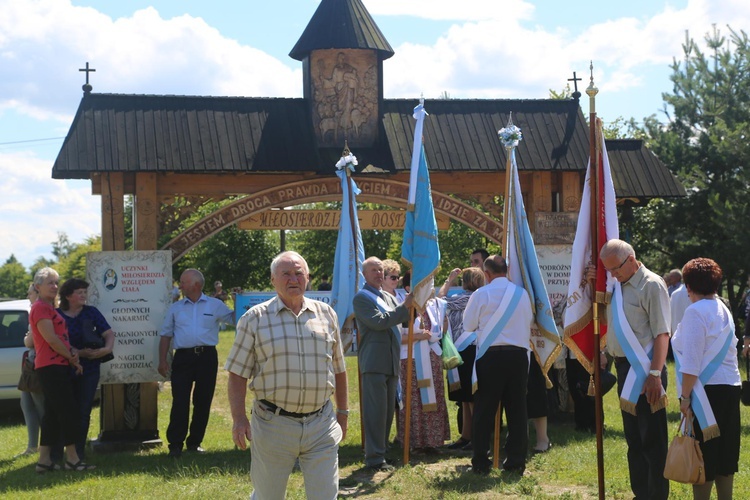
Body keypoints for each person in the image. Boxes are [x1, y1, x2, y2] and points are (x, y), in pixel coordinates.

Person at [226, 251, 348, 499]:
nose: (293, 279)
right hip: (273, 424)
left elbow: (339, 368)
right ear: (273, 280)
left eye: (298, 273)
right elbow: (237, 374)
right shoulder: (254, 319)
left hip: (321, 424)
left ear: (308, 277)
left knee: (326, 495)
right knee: (268, 495)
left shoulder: (326, 314)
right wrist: (239, 419)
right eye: (286, 274)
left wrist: (343, 413)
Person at [600, 239, 669, 500]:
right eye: (609, 271)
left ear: (631, 260)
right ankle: (641, 494)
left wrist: (654, 375)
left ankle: (656, 496)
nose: (613, 275)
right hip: (624, 369)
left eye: (615, 268)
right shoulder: (617, 286)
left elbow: (662, 333)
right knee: (634, 441)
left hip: (648, 370)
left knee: (653, 441)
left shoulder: (651, 284)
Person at [672, 258, 741, 500]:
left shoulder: (694, 311)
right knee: (726, 452)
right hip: (731, 386)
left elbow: (691, 362)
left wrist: (685, 397)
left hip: (706, 392)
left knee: (703, 451)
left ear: (689, 286)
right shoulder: (724, 308)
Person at [463, 255, 533, 475]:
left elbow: (468, 325)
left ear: (487, 274)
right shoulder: (522, 294)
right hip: (518, 357)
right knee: (517, 411)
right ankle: (515, 462)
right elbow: (528, 321)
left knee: (484, 411)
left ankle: (481, 462)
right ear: (506, 270)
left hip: (491, 357)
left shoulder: (480, 294)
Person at [158, 269, 234, 458]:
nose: (180, 285)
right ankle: (175, 444)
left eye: (184, 282)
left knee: (203, 400)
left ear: (196, 285)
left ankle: (195, 442)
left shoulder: (215, 305)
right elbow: (166, 335)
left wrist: (239, 301)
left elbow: (235, 319)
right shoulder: (176, 308)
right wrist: (162, 360)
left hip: (207, 358)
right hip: (183, 358)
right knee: (180, 400)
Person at [30, 267, 94, 472]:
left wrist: (71, 354)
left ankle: (44, 461)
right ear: (38, 286)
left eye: (56, 282)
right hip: (51, 366)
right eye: (50, 282)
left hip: (57, 365)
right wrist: (73, 359)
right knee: (68, 412)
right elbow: (51, 339)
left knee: (52, 414)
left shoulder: (49, 308)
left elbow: (62, 340)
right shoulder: (41, 308)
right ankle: (72, 459)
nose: (55, 286)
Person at [354, 256, 413, 471]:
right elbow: (379, 322)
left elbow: (401, 319)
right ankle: (374, 459)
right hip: (374, 362)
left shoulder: (387, 297)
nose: (378, 274)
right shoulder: (362, 298)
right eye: (373, 271)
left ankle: (381, 454)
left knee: (387, 413)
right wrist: (403, 307)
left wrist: (415, 304)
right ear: (364, 274)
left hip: (390, 362)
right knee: (375, 413)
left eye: (380, 270)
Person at [57, 278, 115, 460]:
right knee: (65, 411)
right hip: (65, 369)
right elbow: (55, 341)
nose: (83, 295)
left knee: (83, 411)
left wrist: (106, 349)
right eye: (79, 292)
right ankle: (59, 453)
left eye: (85, 292)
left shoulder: (91, 312)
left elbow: (109, 333)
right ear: (68, 296)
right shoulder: (57, 315)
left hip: (90, 369)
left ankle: (78, 453)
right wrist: (79, 353)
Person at [444, 267, 485, 450]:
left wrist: (449, 280)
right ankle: (467, 435)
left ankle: (476, 436)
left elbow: (438, 301)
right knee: (466, 398)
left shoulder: (467, 297)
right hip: (463, 348)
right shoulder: (477, 296)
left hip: (469, 348)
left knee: (471, 396)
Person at [19, 283, 44, 456]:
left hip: (38, 365)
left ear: (37, 293)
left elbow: (31, 341)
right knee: (26, 403)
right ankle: (32, 447)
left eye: (30, 293)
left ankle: (51, 447)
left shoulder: (42, 310)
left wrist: (27, 339)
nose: (28, 296)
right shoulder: (33, 310)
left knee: (41, 408)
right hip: (30, 364)